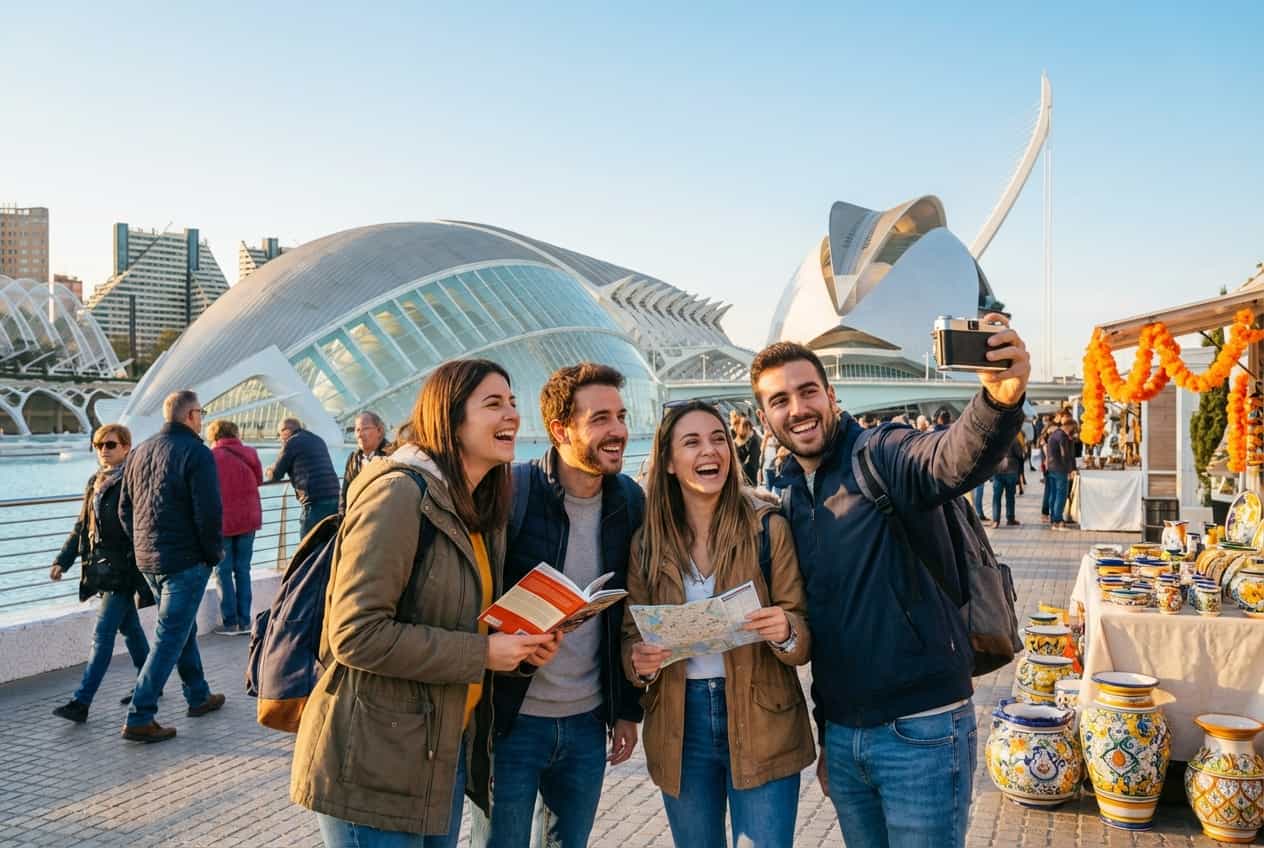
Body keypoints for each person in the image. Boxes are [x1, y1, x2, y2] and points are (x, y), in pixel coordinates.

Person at [751, 315, 1029, 848]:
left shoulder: (880, 453)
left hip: (922, 732)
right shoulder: (791, 498)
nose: (797, 408)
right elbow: (826, 627)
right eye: (780, 401)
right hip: (845, 739)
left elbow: (948, 458)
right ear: (765, 418)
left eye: (808, 392)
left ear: (831, 397)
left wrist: (998, 401)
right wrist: (830, 737)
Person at [291, 359, 561, 848]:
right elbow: (354, 633)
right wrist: (483, 653)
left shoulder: (475, 507)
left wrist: (518, 646)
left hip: (439, 754)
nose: (512, 414)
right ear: (450, 419)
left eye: (512, 402)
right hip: (372, 765)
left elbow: (459, 619)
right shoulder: (398, 494)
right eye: (493, 404)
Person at [623, 400, 814, 848]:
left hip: (762, 718)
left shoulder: (768, 529)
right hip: (680, 725)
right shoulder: (646, 544)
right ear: (669, 462)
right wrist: (640, 662)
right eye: (692, 442)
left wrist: (785, 630)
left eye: (718, 439)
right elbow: (631, 638)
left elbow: (803, 633)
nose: (710, 450)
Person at [477, 363, 644, 848]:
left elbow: (626, 618)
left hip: (588, 722)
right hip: (512, 723)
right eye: (600, 419)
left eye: (621, 416)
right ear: (559, 430)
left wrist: (627, 711)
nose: (618, 430)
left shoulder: (628, 500)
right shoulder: (513, 492)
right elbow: (472, 597)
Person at [119, 390, 226, 743]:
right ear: (191, 415)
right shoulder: (197, 452)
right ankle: (140, 715)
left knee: (181, 628)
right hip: (185, 560)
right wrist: (212, 554)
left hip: (148, 560)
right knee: (169, 636)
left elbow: (124, 509)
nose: (202, 419)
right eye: (201, 413)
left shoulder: (139, 451)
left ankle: (198, 695)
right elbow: (209, 512)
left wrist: (142, 544)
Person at [49, 424, 154, 722]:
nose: (103, 450)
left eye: (110, 444)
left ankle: (81, 702)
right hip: (102, 569)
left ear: (126, 447)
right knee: (131, 629)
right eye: (98, 445)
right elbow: (82, 526)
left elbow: (143, 526)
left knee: (102, 635)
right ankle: (150, 683)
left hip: (124, 569)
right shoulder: (95, 481)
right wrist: (63, 560)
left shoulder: (132, 480)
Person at [210, 419, 263, 635]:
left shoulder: (211, 456)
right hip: (248, 518)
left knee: (223, 571)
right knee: (243, 569)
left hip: (223, 521)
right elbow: (259, 479)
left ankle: (230, 622)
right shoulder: (250, 453)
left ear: (214, 435)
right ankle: (245, 621)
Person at [266, 417, 340, 536]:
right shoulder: (317, 439)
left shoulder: (292, 442)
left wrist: (268, 470)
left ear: (286, 431)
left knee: (308, 542)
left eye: (279, 434)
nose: (280, 439)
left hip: (314, 500)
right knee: (329, 541)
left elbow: (276, 474)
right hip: (334, 496)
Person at [340, 411, 392, 513]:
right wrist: (342, 518)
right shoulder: (353, 459)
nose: (360, 434)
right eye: (357, 430)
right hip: (356, 516)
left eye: (365, 429)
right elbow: (344, 494)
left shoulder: (392, 456)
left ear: (379, 430)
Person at [1046, 416, 1077, 531]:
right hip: (1060, 469)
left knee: (1053, 494)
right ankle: (1058, 521)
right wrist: (1070, 470)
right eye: (1073, 427)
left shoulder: (1054, 434)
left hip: (1052, 468)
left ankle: (1053, 519)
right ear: (1068, 426)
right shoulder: (1062, 437)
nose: (1073, 430)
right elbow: (1065, 455)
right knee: (1061, 495)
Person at [990, 433, 1026, 529]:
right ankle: (1010, 519)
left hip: (998, 471)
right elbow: (1020, 455)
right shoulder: (1014, 440)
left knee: (996, 497)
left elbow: (990, 455)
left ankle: (996, 520)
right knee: (1010, 497)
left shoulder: (995, 440)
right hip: (1011, 470)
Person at [733, 416, 761, 486]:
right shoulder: (732, 444)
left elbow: (754, 463)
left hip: (748, 482)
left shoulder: (752, 443)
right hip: (739, 482)